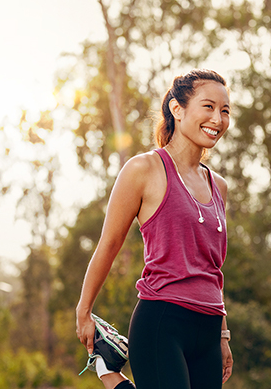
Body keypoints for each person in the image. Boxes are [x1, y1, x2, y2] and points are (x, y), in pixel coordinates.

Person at [76, 69, 233, 389]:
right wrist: (84, 310)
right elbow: (109, 243)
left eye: (225, 110)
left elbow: (213, 267)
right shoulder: (143, 169)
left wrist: (223, 333)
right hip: (163, 321)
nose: (217, 119)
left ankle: (108, 371)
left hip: (209, 328)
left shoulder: (219, 185)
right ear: (177, 109)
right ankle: (108, 373)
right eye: (208, 107)